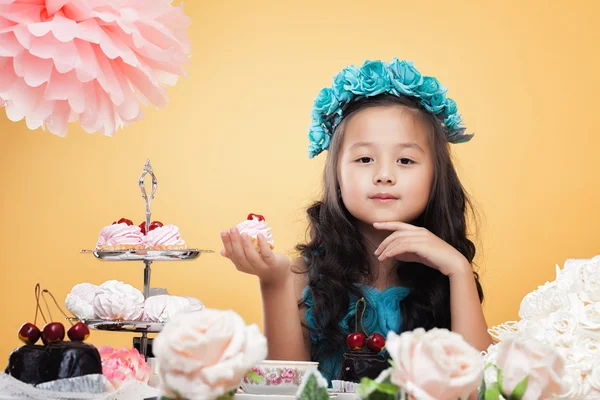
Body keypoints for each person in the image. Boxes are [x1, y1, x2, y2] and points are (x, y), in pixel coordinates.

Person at [220, 58, 493, 384]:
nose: (384, 175)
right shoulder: (305, 276)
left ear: (436, 176)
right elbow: (286, 390)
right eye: (364, 159)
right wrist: (275, 282)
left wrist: (458, 270)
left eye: (405, 160)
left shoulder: (447, 277)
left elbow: (482, 386)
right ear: (336, 174)